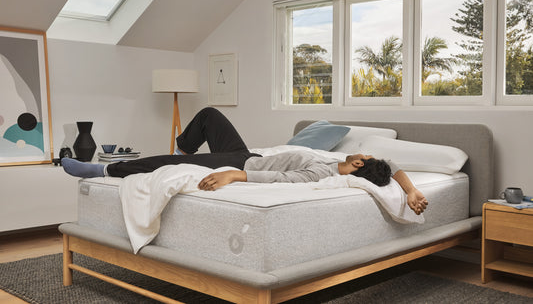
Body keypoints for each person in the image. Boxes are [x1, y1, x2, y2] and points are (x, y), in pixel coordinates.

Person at [62, 107, 428, 215]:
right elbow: (392, 165)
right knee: (208, 115)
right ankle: (185, 154)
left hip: (245, 164)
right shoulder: (336, 155)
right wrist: (410, 191)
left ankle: (102, 168)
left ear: (360, 166)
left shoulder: (321, 171)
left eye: (363, 156)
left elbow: (283, 182)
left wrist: (235, 176)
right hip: (251, 152)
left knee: (162, 161)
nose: (360, 153)